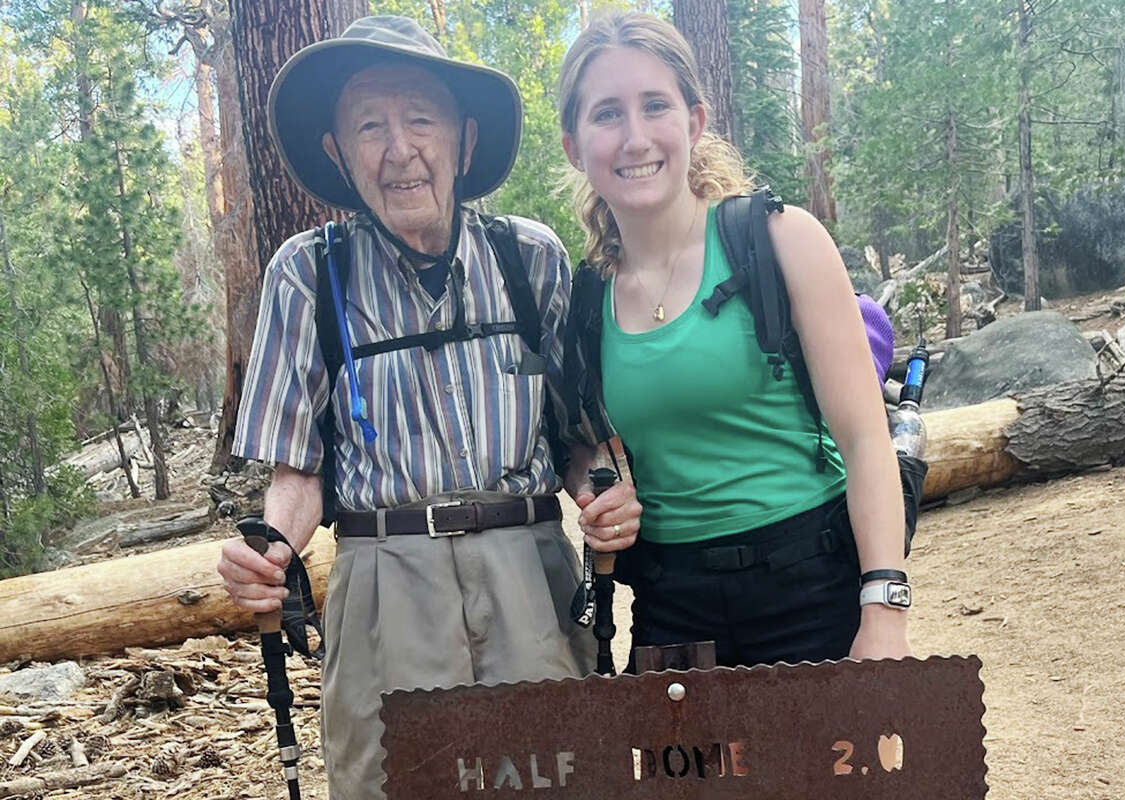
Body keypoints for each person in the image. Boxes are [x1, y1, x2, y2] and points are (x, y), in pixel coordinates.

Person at [215, 16, 640, 800]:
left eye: (420, 118)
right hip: (384, 585)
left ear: (464, 140)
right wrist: (272, 547)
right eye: (369, 125)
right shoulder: (308, 276)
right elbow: (297, 470)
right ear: (339, 154)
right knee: (392, 784)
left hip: (530, 577)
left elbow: (578, 439)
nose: (399, 148)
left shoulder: (530, 258)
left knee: (564, 776)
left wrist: (599, 492)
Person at [558, 12, 912, 668]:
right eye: (607, 114)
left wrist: (884, 610)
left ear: (693, 123)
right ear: (575, 147)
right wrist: (596, 490)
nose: (635, 137)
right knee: (688, 778)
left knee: (835, 778)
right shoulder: (584, 299)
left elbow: (866, 440)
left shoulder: (780, 241)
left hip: (816, 591)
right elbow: (585, 445)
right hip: (673, 610)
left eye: (654, 105)